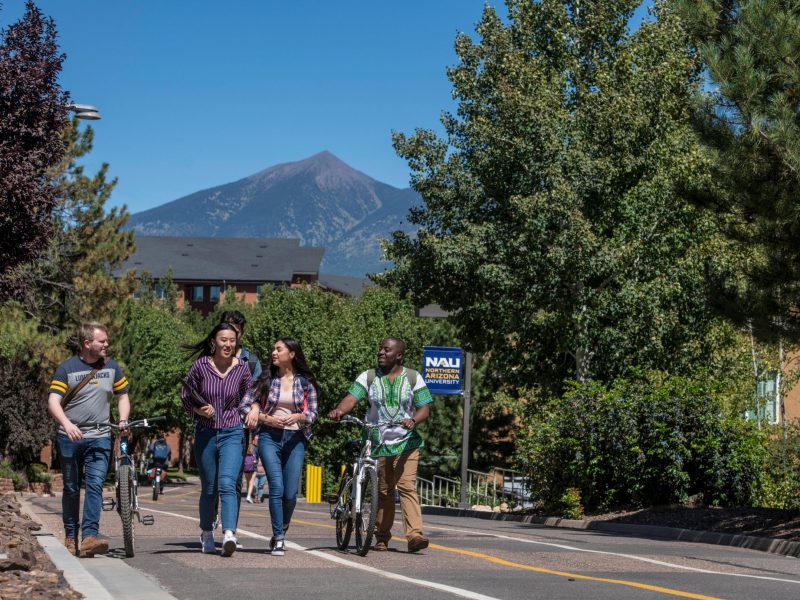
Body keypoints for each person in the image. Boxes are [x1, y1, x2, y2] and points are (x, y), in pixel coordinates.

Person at [328, 337, 432, 553]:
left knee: (406, 486)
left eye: (387, 350)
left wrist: (413, 420)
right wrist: (340, 410)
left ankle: (414, 535)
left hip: (407, 443)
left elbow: (424, 409)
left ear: (399, 355)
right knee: (384, 491)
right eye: (380, 349)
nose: (381, 352)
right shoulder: (369, 376)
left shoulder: (413, 377)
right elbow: (351, 398)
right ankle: (382, 537)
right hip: (379, 442)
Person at [47, 322, 131, 558]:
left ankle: (89, 537)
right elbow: (53, 401)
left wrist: (123, 419)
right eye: (102, 341)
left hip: (100, 436)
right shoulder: (66, 369)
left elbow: (122, 396)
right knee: (72, 489)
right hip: (70, 438)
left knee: (95, 485)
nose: (107, 344)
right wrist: (67, 424)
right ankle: (71, 534)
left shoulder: (112, 367)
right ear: (87, 344)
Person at [181, 322, 260, 556]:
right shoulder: (200, 367)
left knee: (227, 484)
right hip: (205, 432)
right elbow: (185, 395)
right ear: (214, 342)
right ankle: (206, 531)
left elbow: (251, 394)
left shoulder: (242, 368)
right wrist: (197, 410)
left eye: (232, 340)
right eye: (223, 340)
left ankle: (229, 534)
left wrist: (254, 408)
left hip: (232, 431)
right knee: (210, 489)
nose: (228, 344)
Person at [247, 337, 318, 556]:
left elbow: (313, 414)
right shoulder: (265, 380)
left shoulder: (305, 383)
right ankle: (278, 538)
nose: (274, 353)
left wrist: (299, 415)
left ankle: (283, 525)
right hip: (269, 437)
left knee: (289, 494)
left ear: (292, 354)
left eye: (279, 349)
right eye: (273, 349)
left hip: (295, 438)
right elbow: (245, 404)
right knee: (276, 488)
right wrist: (263, 417)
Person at [219, 311, 262, 545]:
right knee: (212, 481)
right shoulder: (207, 359)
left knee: (234, 480)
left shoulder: (250, 361)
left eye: (235, 330)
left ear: (241, 333)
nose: (230, 334)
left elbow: (256, 392)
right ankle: (209, 523)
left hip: (237, 427)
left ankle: (230, 531)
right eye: (227, 328)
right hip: (211, 425)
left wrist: (254, 426)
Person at [243, 437, 258, 503]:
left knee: (248, 481)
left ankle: (248, 495)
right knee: (251, 482)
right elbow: (257, 457)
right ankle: (249, 496)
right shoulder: (255, 448)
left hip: (246, 467)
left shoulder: (245, 447)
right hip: (252, 467)